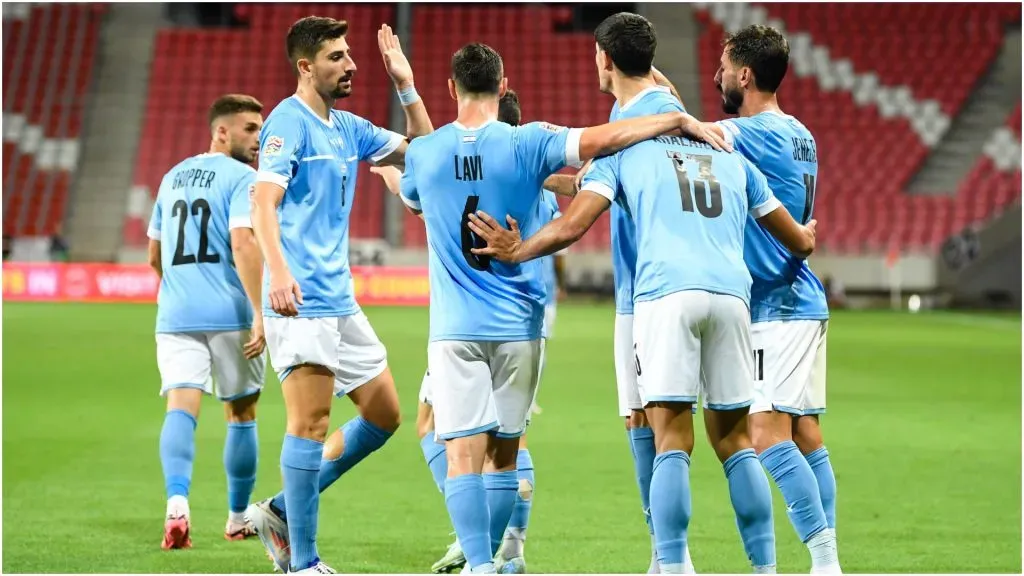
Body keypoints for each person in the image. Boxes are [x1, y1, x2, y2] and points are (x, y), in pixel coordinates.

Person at [467, 77, 819, 573]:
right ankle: (766, 568)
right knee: (737, 443)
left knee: (672, 440)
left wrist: (517, 249)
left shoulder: (626, 153)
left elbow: (572, 225)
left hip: (666, 294)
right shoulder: (727, 151)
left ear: (605, 63)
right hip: (733, 299)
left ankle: (672, 565)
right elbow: (797, 240)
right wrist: (806, 236)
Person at [396, 41, 723, 575]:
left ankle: (479, 566)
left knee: (458, 454)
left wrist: (406, 91)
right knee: (505, 454)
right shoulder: (528, 141)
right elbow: (603, 139)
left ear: (451, 89)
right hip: (521, 328)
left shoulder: (427, 153)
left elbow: (409, 183)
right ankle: (509, 554)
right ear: (503, 89)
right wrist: (674, 118)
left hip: (454, 329)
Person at [243, 17, 433, 574]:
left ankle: (280, 510)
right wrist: (278, 274)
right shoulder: (288, 122)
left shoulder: (347, 127)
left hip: (339, 299)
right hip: (299, 298)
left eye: (350, 55)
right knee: (310, 424)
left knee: (384, 414)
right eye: (337, 57)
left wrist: (406, 83)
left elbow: (425, 152)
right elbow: (262, 203)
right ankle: (303, 562)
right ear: (306, 67)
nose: (351, 65)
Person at [373, 90, 566, 574]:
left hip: (471, 318)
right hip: (530, 317)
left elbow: (428, 203)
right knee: (509, 442)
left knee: (438, 430)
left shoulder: (481, 166)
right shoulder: (533, 179)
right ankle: (510, 551)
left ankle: (476, 539)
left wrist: (394, 175)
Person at [699, 24, 841, 573]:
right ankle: (827, 556)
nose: (716, 75)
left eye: (723, 65)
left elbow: (689, 130)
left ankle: (824, 560)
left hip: (778, 307)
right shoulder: (801, 132)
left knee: (764, 433)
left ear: (746, 75)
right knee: (805, 432)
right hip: (801, 298)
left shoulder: (754, 133)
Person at [146, 94, 267, 550]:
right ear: (221, 131)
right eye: (250, 128)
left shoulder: (171, 176)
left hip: (175, 314)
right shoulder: (243, 178)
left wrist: (176, 290)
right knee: (241, 413)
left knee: (180, 408)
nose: (258, 138)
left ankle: (177, 505)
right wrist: (259, 312)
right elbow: (244, 244)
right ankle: (237, 518)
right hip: (230, 313)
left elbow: (154, 255)